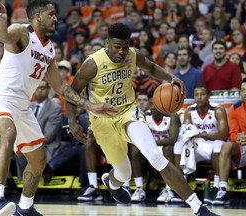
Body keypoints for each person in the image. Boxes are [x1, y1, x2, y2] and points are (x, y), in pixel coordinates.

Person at [0, 1, 116, 216]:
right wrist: (2, 21)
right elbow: (3, 36)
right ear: (38, 16)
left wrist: (90, 106)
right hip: (0, 99)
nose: (55, 18)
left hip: (23, 107)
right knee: (8, 132)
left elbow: (60, 86)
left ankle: (25, 207)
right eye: (51, 14)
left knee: (39, 159)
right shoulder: (22, 33)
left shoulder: (49, 49)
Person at [67, 22, 218, 216]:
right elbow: (71, 93)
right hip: (103, 121)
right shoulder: (92, 64)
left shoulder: (133, 54)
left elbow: (151, 67)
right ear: (107, 43)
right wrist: (72, 121)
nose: (122, 52)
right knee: (124, 173)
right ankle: (112, 183)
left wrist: (170, 77)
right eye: (117, 47)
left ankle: (198, 207)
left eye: (125, 46)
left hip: (129, 112)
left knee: (154, 155)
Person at [174, 85, 229, 204]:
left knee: (219, 145)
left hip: (213, 145)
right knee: (178, 146)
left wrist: (202, 135)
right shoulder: (189, 111)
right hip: (198, 146)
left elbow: (223, 134)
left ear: (209, 96)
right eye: (196, 95)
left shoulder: (218, 110)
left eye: (202, 94)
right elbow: (186, 132)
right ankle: (182, 187)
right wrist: (192, 133)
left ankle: (218, 188)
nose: (199, 97)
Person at [212, 79, 246, 205]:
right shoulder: (235, 108)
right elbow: (232, 134)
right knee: (226, 145)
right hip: (242, 148)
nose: (245, 93)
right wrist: (238, 138)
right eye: (242, 90)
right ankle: (222, 190)